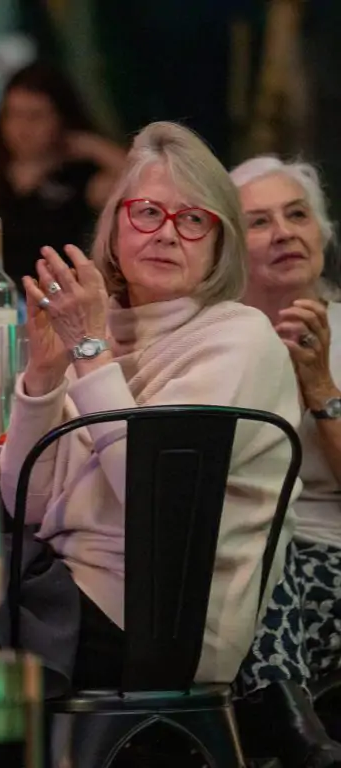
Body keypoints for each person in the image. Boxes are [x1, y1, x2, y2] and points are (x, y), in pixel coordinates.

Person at [0, 121, 340, 765]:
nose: (165, 232)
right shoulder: (103, 334)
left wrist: (90, 354)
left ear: (219, 247)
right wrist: (43, 377)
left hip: (164, 622)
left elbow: (162, 505)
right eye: (148, 211)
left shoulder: (237, 337)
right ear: (115, 230)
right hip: (72, 596)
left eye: (193, 220)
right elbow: (28, 506)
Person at [232, 156, 341, 683]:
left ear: (321, 231)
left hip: (327, 550)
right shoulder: (215, 338)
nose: (284, 234)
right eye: (259, 222)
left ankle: (280, 718)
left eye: (297, 215)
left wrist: (320, 385)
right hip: (235, 548)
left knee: (267, 573)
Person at [0, 61, 126, 291]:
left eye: (35, 116)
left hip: (54, 304)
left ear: (61, 119)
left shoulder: (79, 180)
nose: (23, 127)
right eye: (13, 114)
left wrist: (95, 147)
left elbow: (139, 183)